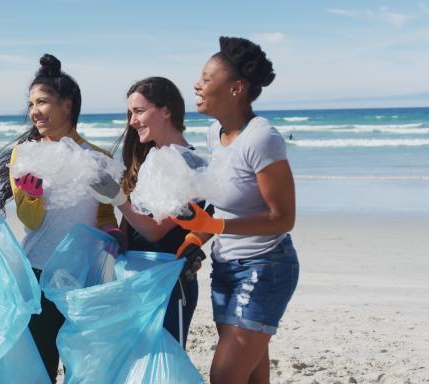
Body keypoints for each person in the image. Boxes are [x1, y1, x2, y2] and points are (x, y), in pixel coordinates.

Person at [0, 53, 120, 383]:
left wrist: (116, 233)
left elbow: (105, 213)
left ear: (68, 105)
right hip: (38, 271)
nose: (34, 112)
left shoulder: (97, 157)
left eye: (42, 102)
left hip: (84, 275)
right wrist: (32, 196)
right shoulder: (23, 155)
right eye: (31, 104)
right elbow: (30, 221)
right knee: (41, 367)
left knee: (81, 366)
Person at [172, 36, 300, 384]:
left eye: (207, 78)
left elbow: (283, 218)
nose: (197, 85)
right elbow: (224, 199)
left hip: (265, 266)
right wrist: (199, 235)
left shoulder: (261, 137)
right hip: (225, 265)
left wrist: (214, 227)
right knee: (252, 373)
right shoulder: (216, 132)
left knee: (225, 376)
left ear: (236, 88)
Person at [91, 76, 207, 347]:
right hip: (135, 278)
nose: (132, 121)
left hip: (168, 284)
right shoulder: (148, 161)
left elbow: (154, 231)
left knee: (163, 367)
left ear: (166, 110)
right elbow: (131, 226)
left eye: (139, 111)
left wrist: (117, 198)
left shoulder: (189, 164)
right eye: (131, 113)